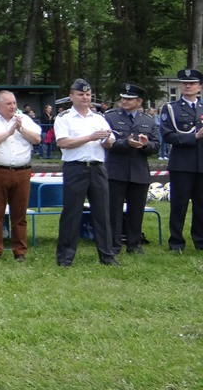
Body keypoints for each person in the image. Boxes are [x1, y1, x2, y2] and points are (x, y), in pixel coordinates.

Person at [54, 79, 118, 266]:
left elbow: (110, 142)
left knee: (102, 213)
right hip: (75, 168)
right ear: (72, 96)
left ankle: (107, 255)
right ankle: (65, 257)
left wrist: (106, 140)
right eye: (81, 94)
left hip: (97, 168)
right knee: (72, 213)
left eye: (88, 94)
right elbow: (63, 142)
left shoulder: (98, 118)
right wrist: (90, 137)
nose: (85, 98)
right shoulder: (64, 118)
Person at [0, 90, 41, 261]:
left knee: (20, 214)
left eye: (14, 103)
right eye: (8, 103)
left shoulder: (25, 119)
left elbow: (37, 139)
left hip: (22, 171)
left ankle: (20, 251)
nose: (13, 106)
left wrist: (20, 128)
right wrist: (9, 131)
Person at [104, 83, 159, 255]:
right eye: (123, 98)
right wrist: (125, 143)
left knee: (136, 210)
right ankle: (114, 244)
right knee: (114, 210)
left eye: (130, 99)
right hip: (116, 170)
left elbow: (156, 145)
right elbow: (107, 142)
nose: (125, 101)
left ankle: (134, 244)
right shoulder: (110, 117)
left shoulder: (147, 121)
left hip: (139, 170)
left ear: (139, 101)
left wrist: (145, 145)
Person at [158, 68, 203, 252]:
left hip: (201, 165)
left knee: (201, 206)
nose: (188, 86)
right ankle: (176, 242)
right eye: (184, 83)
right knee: (179, 205)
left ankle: (200, 241)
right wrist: (195, 137)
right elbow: (168, 136)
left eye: (192, 83)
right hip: (182, 164)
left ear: (199, 87)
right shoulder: (171, 108)